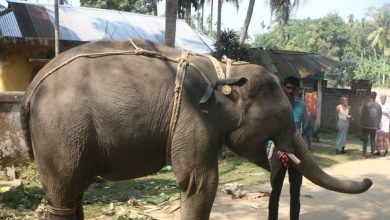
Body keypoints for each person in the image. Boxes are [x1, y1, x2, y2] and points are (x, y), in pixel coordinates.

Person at [268, 76, 307, 220]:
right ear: (283, 87)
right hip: (278, 152)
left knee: (295, 192)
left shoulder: (301, 105)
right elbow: (268, 129)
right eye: (288, 87)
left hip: (297, 154)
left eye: (293, 89)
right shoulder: (274, 105)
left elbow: (306, 126)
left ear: (297, 90)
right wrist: (271, 150)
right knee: (275, 191)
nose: (290, 91)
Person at [360, 91, 382, 159]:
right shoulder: (378, 106)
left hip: (366, 125)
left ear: (370, 96)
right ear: (375, 97)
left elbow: (362, 115)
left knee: (365, 140)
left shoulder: (366, 104)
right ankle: (372, 155)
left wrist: (361, 123)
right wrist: (377, 124)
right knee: (372, 140)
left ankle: (364, 155)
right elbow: (380, 116)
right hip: (374, 126)